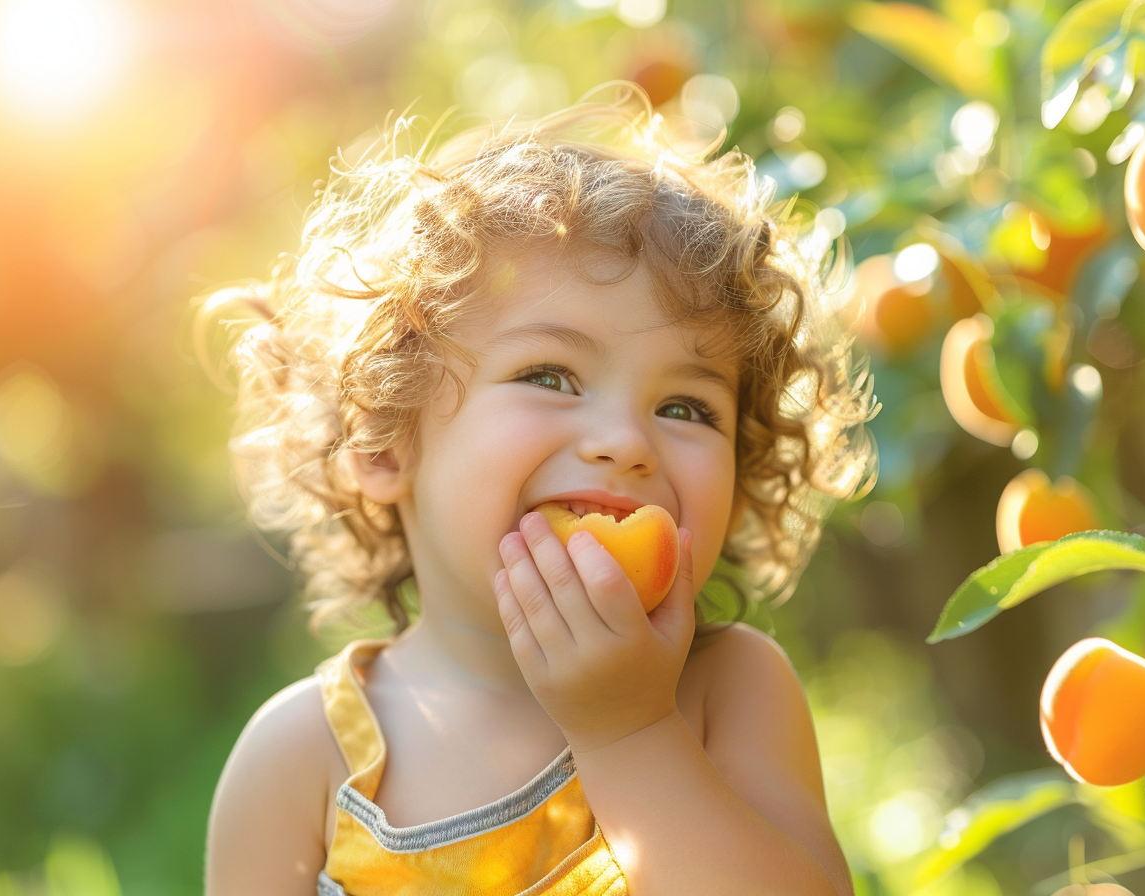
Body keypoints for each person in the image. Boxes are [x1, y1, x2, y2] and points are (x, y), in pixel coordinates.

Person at [201, 83, 875, 896]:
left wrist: (633, 732)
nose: (625, 443)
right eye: (550, 376)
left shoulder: (728, 691)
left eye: (686, 407)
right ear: (382, 441)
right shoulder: (305, 757)